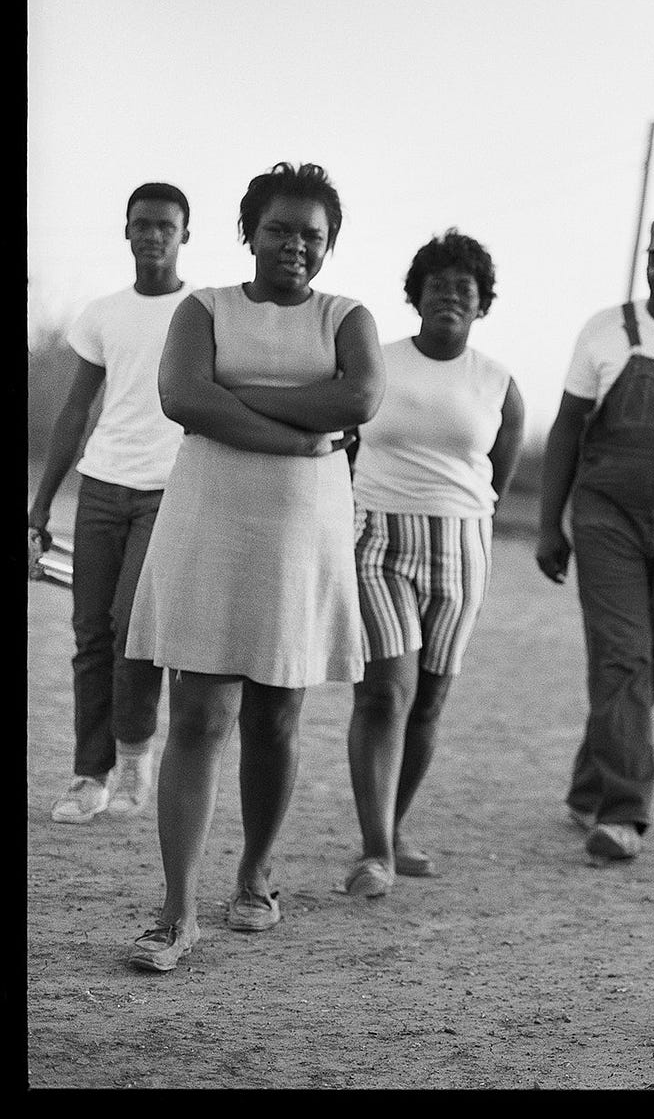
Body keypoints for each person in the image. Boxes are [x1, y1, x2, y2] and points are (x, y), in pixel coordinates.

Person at [123, 162, 385, 972]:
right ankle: (175, 911)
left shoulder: (348, 317)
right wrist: (292, 438)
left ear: (329, 242)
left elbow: (358, 400)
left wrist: (235, 400)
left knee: (276, 714)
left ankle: (256, 877)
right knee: (199, 715)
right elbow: (182, 397)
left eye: (312, 233)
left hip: (300, 536)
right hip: (210, 521)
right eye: (279, 229)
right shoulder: (204, 308)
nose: (295, 245)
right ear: (250, 231)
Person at [344, 229, 526, 898]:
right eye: (439, 285)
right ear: (416, 296)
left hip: (462, 544)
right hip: (378, 537)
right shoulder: (377, 362)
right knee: (386, 691)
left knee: (429, 699)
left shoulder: (497, 380)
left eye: (465, 288)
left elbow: (501, 463)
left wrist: (473, 509)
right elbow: (346, 439)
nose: (451, 295)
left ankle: (391, 828)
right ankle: (374, 851)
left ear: (482, 305)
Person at [535, 217, 654, 862]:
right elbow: (566, 428)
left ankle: (589, 785)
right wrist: (548, 521)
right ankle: (623, 812)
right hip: (606, 514)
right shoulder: (606, 329)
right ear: (647, 265)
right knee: (623, 660)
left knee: (646, 671)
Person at [28, 183, 194, 826]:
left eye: (166, 226)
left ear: (186, 234)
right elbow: (76, 410)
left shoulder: (200, 312)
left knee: (133, 628)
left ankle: (135, 762)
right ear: (126, 231)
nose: (153, 235)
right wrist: (41, 503)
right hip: (100, 486)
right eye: (142, 224)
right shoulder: (102, 313)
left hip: (166, 492)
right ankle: (87, 775)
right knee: (90, 633)